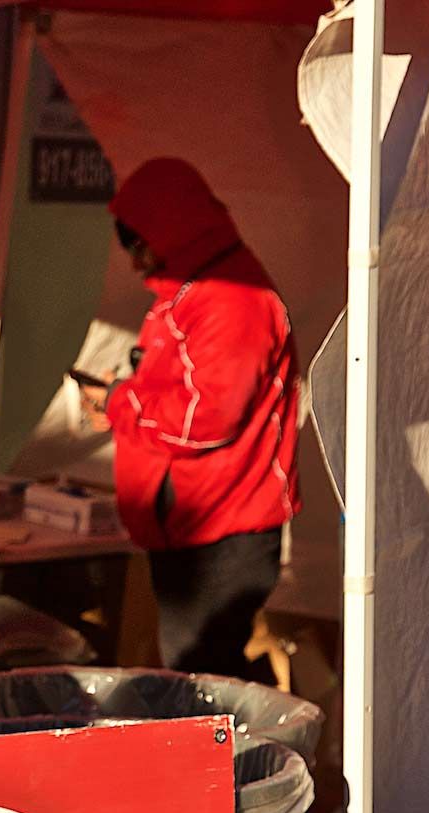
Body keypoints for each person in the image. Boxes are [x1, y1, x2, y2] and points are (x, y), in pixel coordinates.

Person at [75, 157, 301, 680]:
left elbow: (204, 420)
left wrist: (119, 403)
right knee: (203, 674)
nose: (134, 262)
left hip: (222, 532)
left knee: (203, 682)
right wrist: (123, 397)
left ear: (170, 230)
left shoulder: (231, 302)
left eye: (137, 245)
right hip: (201, 525)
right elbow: (185, 392)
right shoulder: (198, 290)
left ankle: (259, 755)